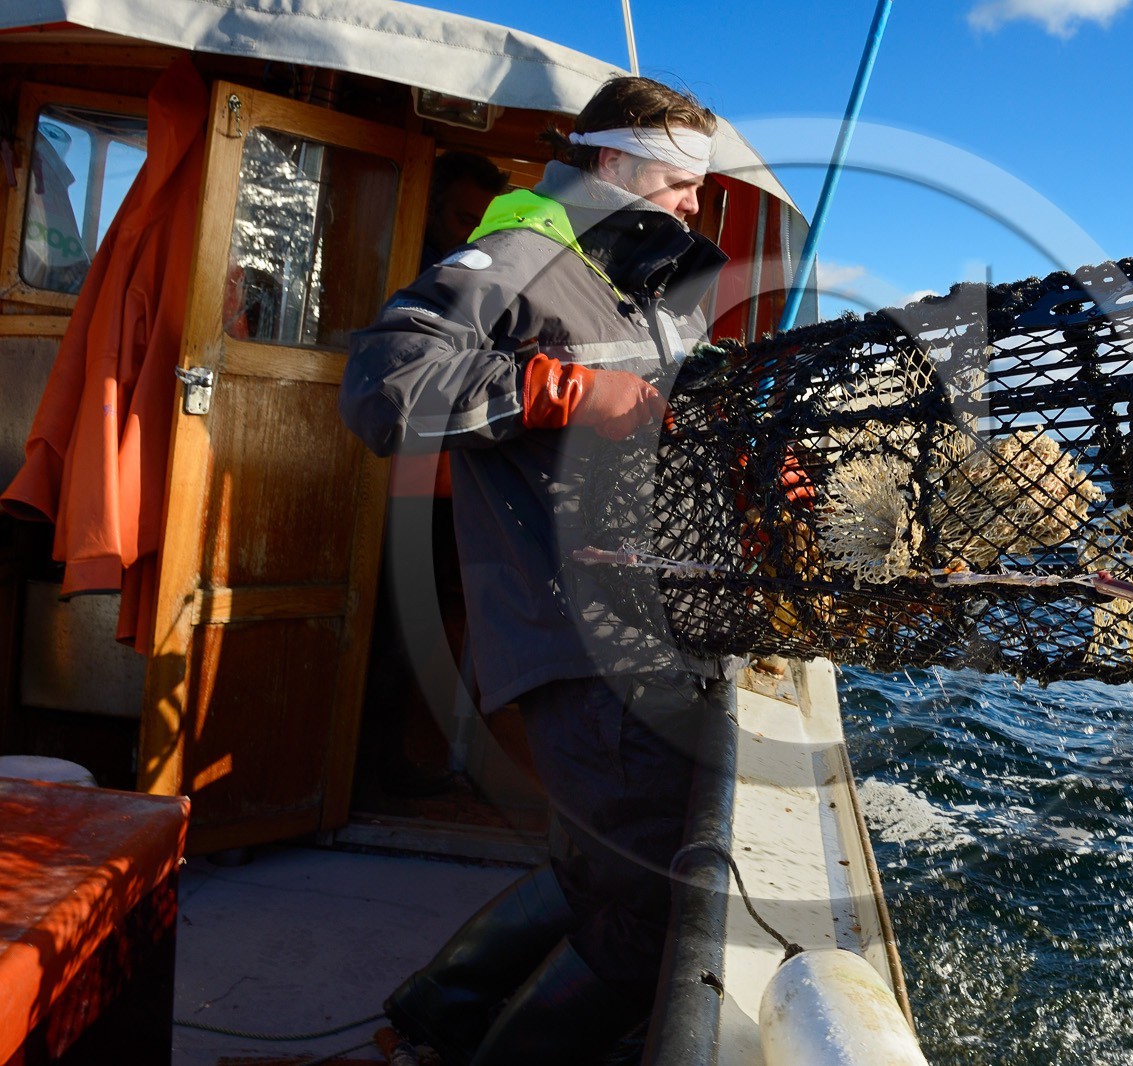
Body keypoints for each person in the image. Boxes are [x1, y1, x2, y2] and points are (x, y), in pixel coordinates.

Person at [339, 77, 730, 1065]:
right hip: (574, 631)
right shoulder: (522, 257)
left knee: (593, 866)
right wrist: (557, 389)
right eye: (684, 179)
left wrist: (746, 453)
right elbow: (384, 381)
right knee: (649, 921)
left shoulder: (638, 288)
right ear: (616, 157)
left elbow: (661, 429)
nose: (695, 202)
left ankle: (423, 1025)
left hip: (646, 624)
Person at [358, 150, 508, 800]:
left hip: (449, 491)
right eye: (459, 216)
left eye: (481, 222)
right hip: (394, 488)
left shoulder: (476, 278)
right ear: (430, 205)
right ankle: (367, 772)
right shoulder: (406, 276)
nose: (469, 234)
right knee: (388, 624)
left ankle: (403, 759)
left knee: (430, 620)